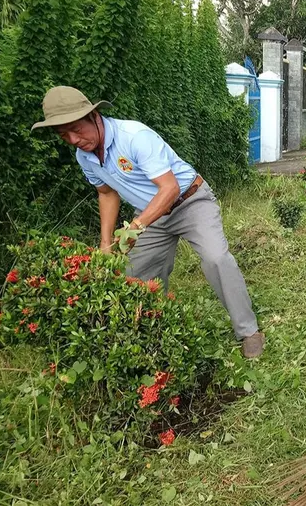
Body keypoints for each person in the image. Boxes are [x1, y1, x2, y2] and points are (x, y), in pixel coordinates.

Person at [32, 86, 265, 359]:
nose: (73, 139)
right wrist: (106, 241)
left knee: (216, 258)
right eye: (64, 135)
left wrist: (134, 227)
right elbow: (106, 192)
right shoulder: (84, 156)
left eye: (76, 129)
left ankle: (249, 331)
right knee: (135, 277)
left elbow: (169, 189)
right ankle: (154, 335)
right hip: (151, 214)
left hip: (190, 201)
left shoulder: (134, 137)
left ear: (94, 115)